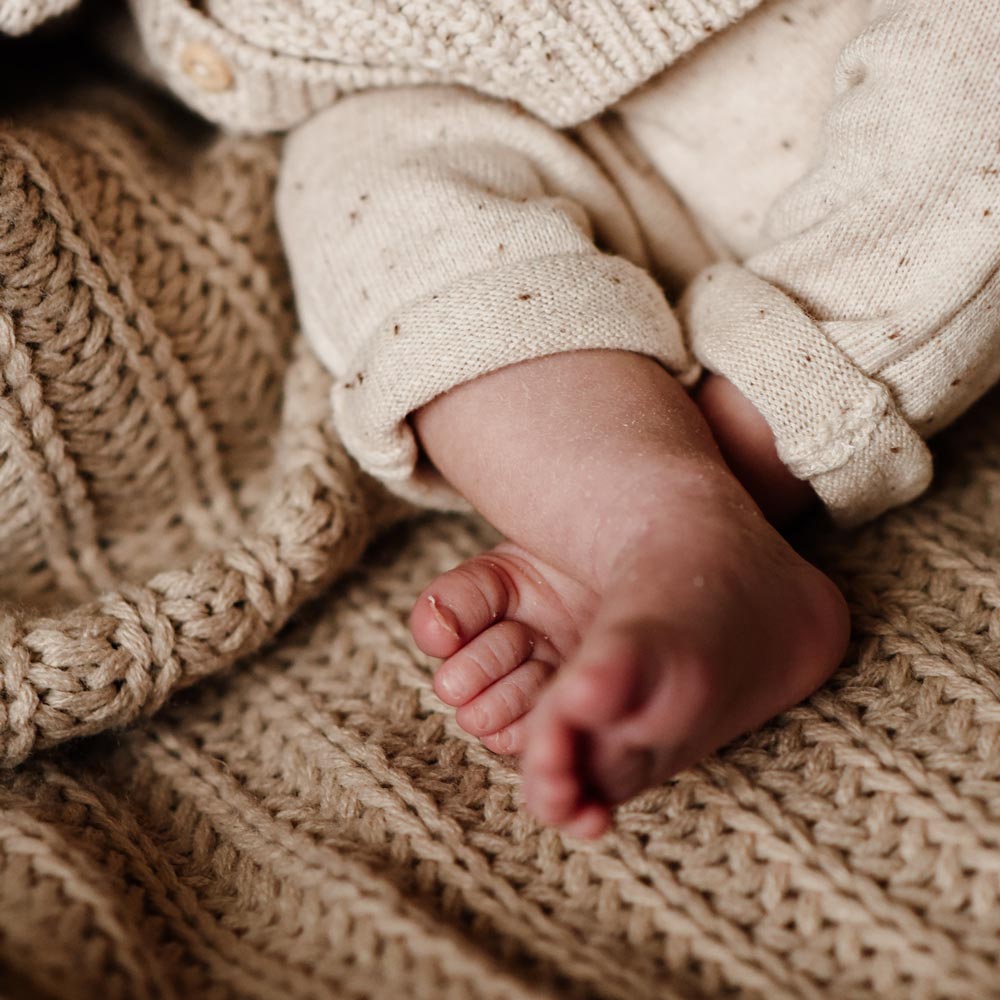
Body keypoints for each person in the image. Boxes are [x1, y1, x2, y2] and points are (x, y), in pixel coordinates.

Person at [11, 0, 999, 837]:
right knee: (370, 191)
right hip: (461, 102)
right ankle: (644, 515)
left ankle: (727, 467)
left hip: (829, 44)